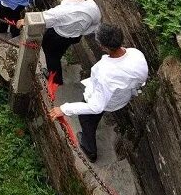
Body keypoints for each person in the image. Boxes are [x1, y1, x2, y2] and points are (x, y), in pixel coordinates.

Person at [49, 25, 147, 162]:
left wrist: (64, 109)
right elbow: (142, 79)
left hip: (105, 100)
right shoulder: (136, 54)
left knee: (86, 118)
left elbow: (96, 107)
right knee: (92, 117)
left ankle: (90, 150)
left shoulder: (105, 72)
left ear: (103, 47)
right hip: (122, 97)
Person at [35, 0, 101, 86]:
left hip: (56, 36)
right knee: (59, 52)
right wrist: (82, 31)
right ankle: (57, 64)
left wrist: (23, 21)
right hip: (75, 37)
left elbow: (42, 19)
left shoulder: (60, 11)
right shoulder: (92, 6)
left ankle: (56, 80)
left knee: (51, 55)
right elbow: (95, 22)